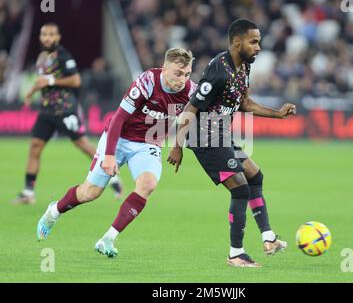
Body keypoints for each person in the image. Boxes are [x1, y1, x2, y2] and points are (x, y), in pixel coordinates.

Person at [36, 48, 196, 258]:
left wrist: (177, 146)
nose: (182, 79)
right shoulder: (147, 82)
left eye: (187, 74)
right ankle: (54, 211)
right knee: (90, 193)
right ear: (164, 69)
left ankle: (108, 239)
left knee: (148, 185)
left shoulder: (191, 91)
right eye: (177, 73)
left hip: (148, 143)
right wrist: (110, 155)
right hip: (120, 137)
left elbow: (187, 117)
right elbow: (118, 118)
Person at [167, 19, 296, 268]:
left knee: (255, 177)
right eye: (254, 41)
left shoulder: (244, 68)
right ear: (237, 42)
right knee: (240, 189)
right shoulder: (218, 70)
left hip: (220, 135)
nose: (258, 47)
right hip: (203, 137)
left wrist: (277, 114)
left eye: (259, 41)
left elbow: (245, 103)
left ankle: (269, 238)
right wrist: (177, 145)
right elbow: (191, 106)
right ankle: (236, 254)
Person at [13, 22, 123, 204]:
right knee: (35, 147)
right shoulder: (42, 57)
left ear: (58, 37)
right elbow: (42, 81)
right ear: (40, 37)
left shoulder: (63, 56)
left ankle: (113, 176)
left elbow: (76, 80)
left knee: (83, 145)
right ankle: (28, 192)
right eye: (44, 34)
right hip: (47, 110)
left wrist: (50, 81)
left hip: (65, 109)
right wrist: (31, 92)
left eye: (51, 35)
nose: (47, 38)